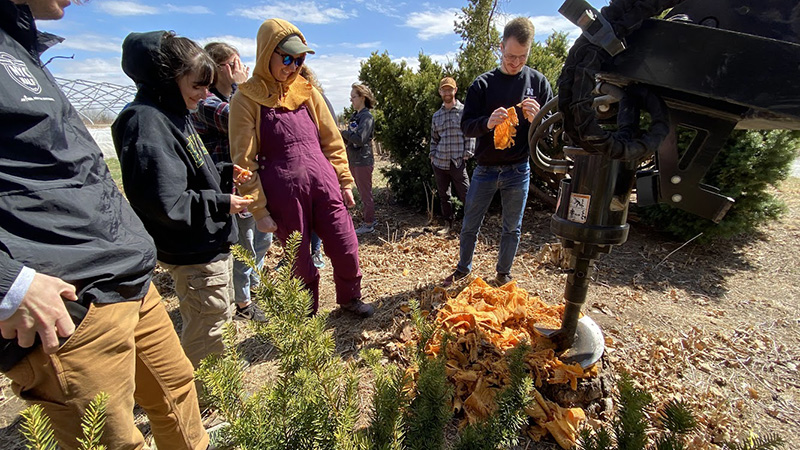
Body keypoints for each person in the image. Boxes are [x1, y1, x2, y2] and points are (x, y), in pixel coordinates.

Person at [0, 1, 208, 449]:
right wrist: (9, 284)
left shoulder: (16, 46)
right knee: (114, 442)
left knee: (178, 397)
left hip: (127, 276)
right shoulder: (145, 121)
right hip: (66, 299)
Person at [112, 30, 254, 369]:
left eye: (208, 86)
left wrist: (222, 170)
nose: (205, 94)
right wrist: (222, 203)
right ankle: (209, 403)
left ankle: (219, 388)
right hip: (193, 251)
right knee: (209, 329)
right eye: (197, 86)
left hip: (205, 244)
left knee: (217, 318)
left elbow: (186, 170)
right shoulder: (146, 123)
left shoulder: (174, 113)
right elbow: (165, 201)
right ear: (166, 80)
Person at [229, 18, 374, 318]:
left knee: (346, 245)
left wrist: (344, 182)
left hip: (324, 185)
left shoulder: (307, 92)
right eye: (286, 58)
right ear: (266, 52)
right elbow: (244, 162)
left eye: (299, 59)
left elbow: (332, 139)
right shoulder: (246, 99)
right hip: (283, 195)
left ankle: (350, 298)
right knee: (300, 262)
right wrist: (259, 210)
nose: (293, 66)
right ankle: (307, 319)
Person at [443, 17, 554, 288]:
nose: (515, 62)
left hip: (519, 169)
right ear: (501, 46)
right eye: (510, 55)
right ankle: (463, 268)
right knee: (470, 222)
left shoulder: (538, 83)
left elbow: (552, 134)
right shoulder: (483, 84)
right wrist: (488, 123)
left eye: (522, 57)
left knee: (512, 227)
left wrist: (539, 119)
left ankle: (503, 273)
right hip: (485, 168)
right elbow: (466, 126)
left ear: (530, 51)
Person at [191, 41, 271, 321]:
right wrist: (242, 86)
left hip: (250, 183)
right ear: (217, 68)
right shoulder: (205, 103)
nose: (241, 69)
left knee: (263, 241)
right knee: (245, 247)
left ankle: (254, 288)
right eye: (233, 64)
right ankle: (244, 304)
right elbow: (238, 118)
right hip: (229, 189)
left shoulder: (231, 98)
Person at [430, 76, 476, 235]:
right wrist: (432, 156)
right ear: (440, 92)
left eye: (450, 89)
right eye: (444, 89)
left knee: (467, 194)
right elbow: (434, 138)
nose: (447, 92)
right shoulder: (436, 116)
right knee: (444, 196)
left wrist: (467, 154)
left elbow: (470, 134)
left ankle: (472, 226)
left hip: (457, 162)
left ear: (455, 90)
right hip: (440, 162)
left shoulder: (465, 111)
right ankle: (448, 225)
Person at [341, 83, 377, 235]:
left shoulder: (367, 117)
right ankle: (369, 219)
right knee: (361, 192)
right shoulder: (355, 116)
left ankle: (369, 223)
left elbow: (360, 138)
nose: (352, 101)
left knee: (365, 193)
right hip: (353, 159)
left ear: (362, 97)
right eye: (350, 98)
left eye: (353, 97)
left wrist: (342, 133)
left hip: (363, 160)